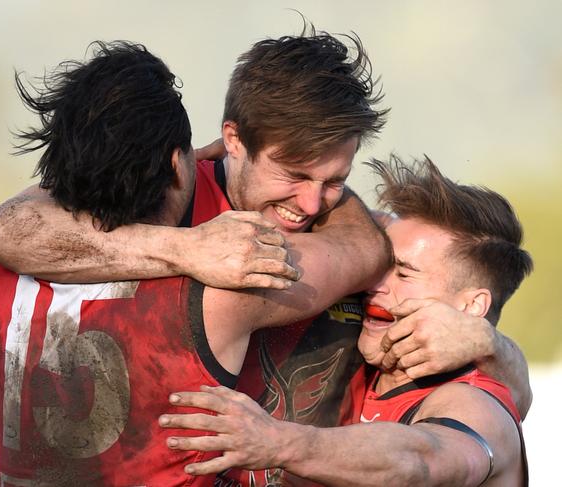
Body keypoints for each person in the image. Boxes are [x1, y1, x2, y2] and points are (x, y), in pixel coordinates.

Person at [0, 25, 531, 486]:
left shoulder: (369, 247)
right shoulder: (161, 205)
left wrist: (491, 345)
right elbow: (1, 230)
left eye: (335, 179)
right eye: (292, 174)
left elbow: (488, 409)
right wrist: (186, 248)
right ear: (232, 141)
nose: (311, 202)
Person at [159, 155, 531, 486]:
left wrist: (277, 441)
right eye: (382, 265)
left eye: (403, 274)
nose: (375, 282)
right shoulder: (370, 360)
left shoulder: (474, 402)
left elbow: (422, 459)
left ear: (472, 307)